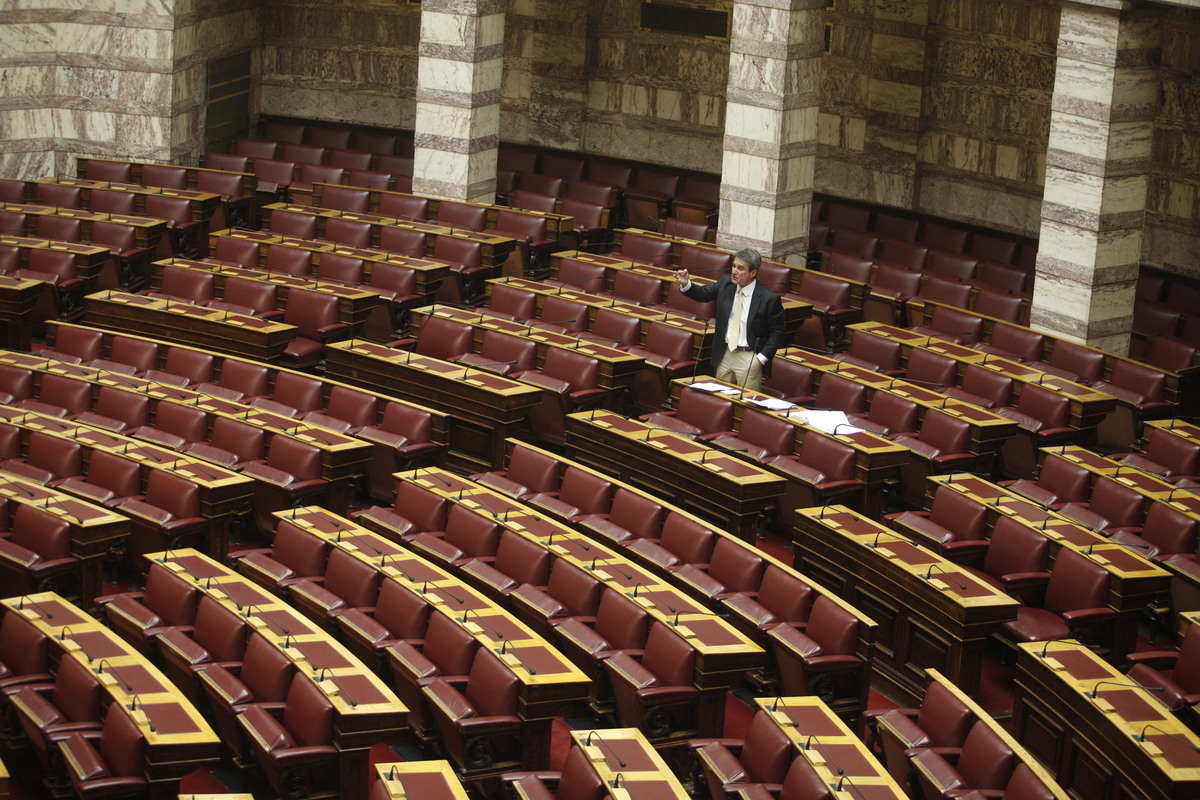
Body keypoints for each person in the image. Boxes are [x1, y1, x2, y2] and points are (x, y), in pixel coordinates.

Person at [674, 248, 785, 392]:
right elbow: (703, 294)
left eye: (740, 268)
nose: (734, 271)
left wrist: (760, 359)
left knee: (746, 402)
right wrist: (685, 283)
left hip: (749, 357)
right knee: (720, 396)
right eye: (733, 266)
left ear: (753, 273)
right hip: (725, 353)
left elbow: (778, 332)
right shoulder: (726, 284)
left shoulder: (769, 298)